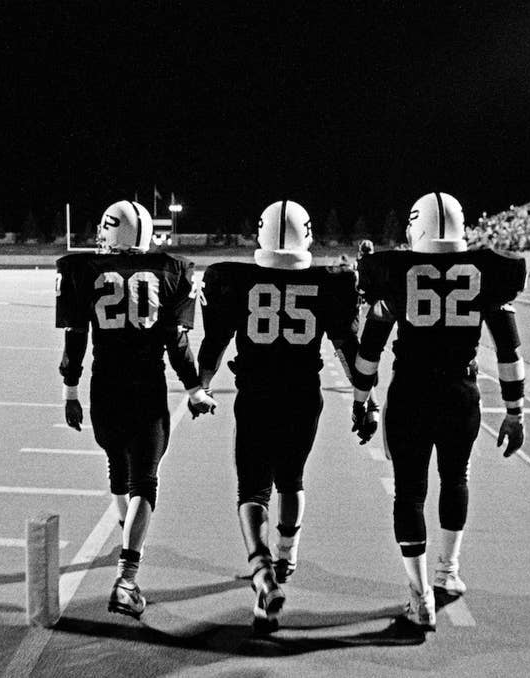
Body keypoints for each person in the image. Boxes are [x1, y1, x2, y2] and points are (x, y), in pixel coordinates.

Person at [197, 200, 376, 633]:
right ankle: (287, 554)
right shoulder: (329, 282)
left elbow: (215, 344)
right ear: (308, 234)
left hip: (256, 394)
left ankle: (262, 571)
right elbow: (348, 351)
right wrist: (363, 400)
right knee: (291, 479)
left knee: (251, 490)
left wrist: (198, 386)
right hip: (301, 394)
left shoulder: (234, 279)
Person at [350, 192, 527, 631]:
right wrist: (515, 410)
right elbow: (508, 347)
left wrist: (361, 400)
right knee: (456, 478)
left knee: (409, 492)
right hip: (460, 392)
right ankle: (448, 571)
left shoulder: (395, 273)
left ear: (417, 226)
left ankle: (419, 595)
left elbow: (371, 345)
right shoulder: (487, 272)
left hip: (411, 390)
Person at [57, 200, 216, 619]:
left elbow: (76, 340)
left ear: (111, 231)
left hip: (104, 388)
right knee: (145, 479)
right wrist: (196, 389)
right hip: (146, 389)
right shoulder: (171, 271)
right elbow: (176, 343)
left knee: (117, 470)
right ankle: (127, 577)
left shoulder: (83, 271)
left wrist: (70, 392)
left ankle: (130, 550)